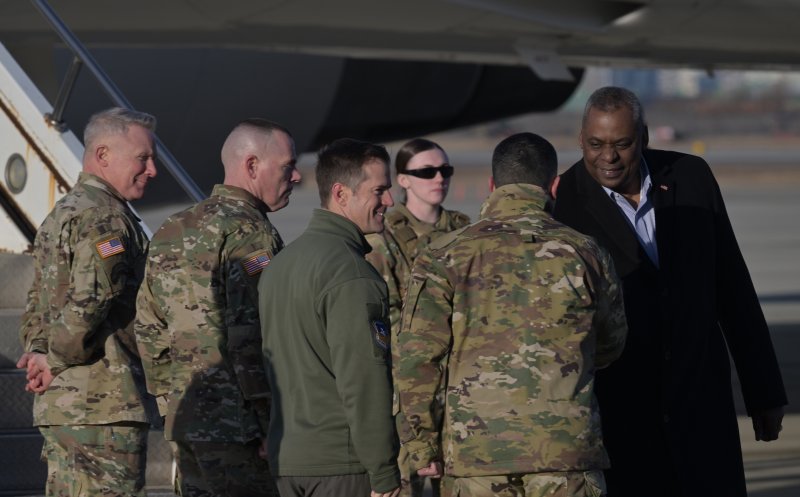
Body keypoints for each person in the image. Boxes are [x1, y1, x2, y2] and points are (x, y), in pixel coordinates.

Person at [552, 86, 787, 497]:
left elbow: (732, 286)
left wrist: (764, 391)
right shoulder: (563, 203)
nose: (607, 157)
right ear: (580, 139)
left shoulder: (691, 176)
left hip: (699, 404)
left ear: (644, 137)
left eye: (622, 144)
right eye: (595, 144)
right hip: (621, 416)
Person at [394, 132, 628, 497]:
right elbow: (611, 345)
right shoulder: (586, 252)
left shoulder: (444, 255)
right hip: (563, 452)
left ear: (492, 185)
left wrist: (421, 444)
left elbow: (418, 359)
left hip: (478, 456)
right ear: (554, 185)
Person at [134, 118, 299, 496]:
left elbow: (148, 326)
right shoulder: (250, 233)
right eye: (288, 166)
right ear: (253, 166)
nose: (297, 177)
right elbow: (252, 333)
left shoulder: (172, 229)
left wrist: (170, 405)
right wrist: (269, 420)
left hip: (187, 420)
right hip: (239, 429)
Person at [16, 107, 158, 496]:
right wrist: (53, 359)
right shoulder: (106, 217)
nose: (153, 170)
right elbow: (91, 299)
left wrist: (39, 352)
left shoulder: (63, 212)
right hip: (102, 408)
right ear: (103, 156)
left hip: (65, 406)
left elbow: (38, 300)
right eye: (143, 158)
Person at [258, 138, 401, 497]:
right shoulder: (352, 275)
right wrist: (383, 473)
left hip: (286, 462)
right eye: (380, 190)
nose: (390, 202)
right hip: (341, 466)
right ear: (341, 193)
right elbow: (363, 382)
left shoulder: (280, 265)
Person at [366, 138, 470, 497]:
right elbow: (387, 312)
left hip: (459, 385)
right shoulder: (386, 236)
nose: (439, 178)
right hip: (409, 386)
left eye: (445, 170)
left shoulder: (465, 230)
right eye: (426, 172)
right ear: (404, 180)